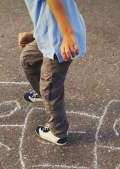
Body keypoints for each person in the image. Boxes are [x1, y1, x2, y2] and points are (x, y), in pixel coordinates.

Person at [19, 0, 86, 145]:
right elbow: (46, 10)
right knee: (28, 59)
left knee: (50, 85)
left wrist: (67, 35)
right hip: (48, 34)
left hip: (61, 41)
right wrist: (34, 33)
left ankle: (58, 131)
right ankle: (44, 96)